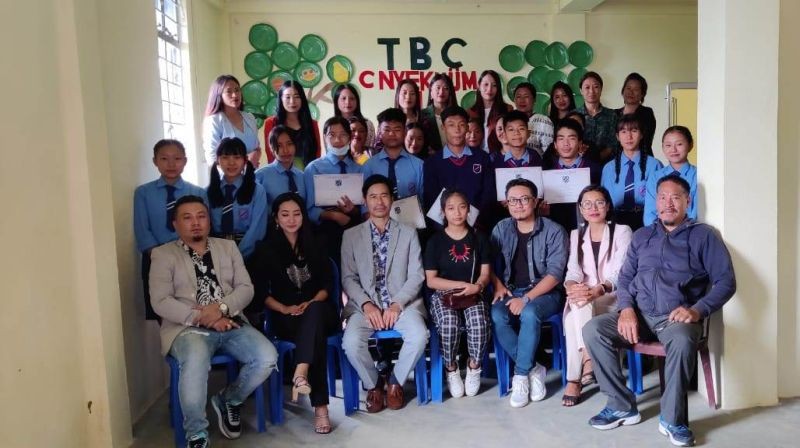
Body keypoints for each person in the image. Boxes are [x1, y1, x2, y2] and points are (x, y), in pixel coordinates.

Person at [584, 175, 736, 447]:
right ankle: (621, 406)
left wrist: (698, 310)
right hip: (640, 315)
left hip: (676, 318)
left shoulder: (703, 235)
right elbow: (627, 278)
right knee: (593, 329)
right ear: (655, 202)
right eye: (662, 197)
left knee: (681, 338)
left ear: (687, 201)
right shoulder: (643, 236)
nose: (668, 203)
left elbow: (726, 281)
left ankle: (673, 419)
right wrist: (626, 309)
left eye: (675, 197)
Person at [149, 195, 277, 448]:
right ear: (175, 224)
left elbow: (246, 288)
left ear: (209, 221)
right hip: (187, 329)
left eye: (201, 216)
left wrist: (220, 308)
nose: (195, 223)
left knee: (267, 357)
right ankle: (196, 434)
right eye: (187, 218)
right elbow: (160, 301)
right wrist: (202, 318)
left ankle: (229, 399)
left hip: (230, 321)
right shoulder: (163, 254)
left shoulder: (227, 248)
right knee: (195, 361)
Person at [340, 175, 428, 413]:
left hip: (402, 304)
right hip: (364, 306)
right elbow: (348, 278)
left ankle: (395, 382)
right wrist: (367, 304)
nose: (379, 202)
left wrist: (397, 304)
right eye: (373, 197)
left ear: (392, 199)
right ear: (365, 201)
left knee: (419, 335)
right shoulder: (351, 235)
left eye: (384, 196)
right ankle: (374, 384)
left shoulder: (408, 233)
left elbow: (417, 275)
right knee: (350, 343)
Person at [252, 193, 337, 434]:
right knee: (315, 337)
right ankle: (321, 410)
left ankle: (300, 371)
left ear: (303, 216)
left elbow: (327, 286)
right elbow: (260, 292)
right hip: (285, 316)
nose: (291, 219)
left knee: (316, 315)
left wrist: (311, 303)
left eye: (297, 213)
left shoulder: (317, 243)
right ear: (276, 218)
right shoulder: (266, 249)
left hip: (319, 309)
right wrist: (284, 308)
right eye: (285, 214)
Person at [491, 178, 567, 408]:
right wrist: (498, 285)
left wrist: (526, 299)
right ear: (507, 203)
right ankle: (535, 367)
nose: (519, 205)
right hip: (510, 291)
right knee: (496, 316)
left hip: (545, 293)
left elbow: (555, 274)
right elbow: (488, 265)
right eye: (513, 200)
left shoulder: (554, 230)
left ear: (535, 201)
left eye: (524, 199)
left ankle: (521, 376)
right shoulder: (501, 228)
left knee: (530, 313)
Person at [561, 185, 632, 407]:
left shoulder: (622, 231)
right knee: (578, 301)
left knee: (575, 315)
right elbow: (573, 271)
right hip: (585, 297)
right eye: (587, 204)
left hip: (612, 297)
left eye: (599, 202)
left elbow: (620, 271)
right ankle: (589, 358)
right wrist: (572, 286)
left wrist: (599, 289)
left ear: (608, 206)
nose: (593, 208)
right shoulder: (575, 234)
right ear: (580, 209)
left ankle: (574, 379)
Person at [424, 189, 491, 398]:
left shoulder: (479, 237)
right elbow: (431, 280)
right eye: (451, 208)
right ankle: (451, 368)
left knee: (479, 322)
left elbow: (486, 273)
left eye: (462, 207)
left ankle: (474, 366)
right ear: (443, 212)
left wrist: (477, 286)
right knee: (448, 324)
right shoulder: (435, 241)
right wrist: (459, 284)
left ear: (468, 209)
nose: (457, 213)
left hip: (472, 293)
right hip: (444, 294)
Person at [134, 139, 206, 320]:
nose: (171, 164)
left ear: (185, 161)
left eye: (177, 159)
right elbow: (142, 231)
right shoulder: (143, 192)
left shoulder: (197, 192)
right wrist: (161, 257)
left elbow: (202, 228)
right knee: (163, 311)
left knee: (193, 307)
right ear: (155, 161)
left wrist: (187, 256)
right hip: (155, 257)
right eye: (164, 159)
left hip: (191, 258)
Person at [303, 116, 363, 266]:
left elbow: (364, 208)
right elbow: (308, 209)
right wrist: (333, 215)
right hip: (324, 232)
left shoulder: (359, 170)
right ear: (325, 137)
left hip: (354, 228)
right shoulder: (314, 168)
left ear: (350, 137)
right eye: (332, 135)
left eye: (342, 135)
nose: (337, 140)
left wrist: (353, 211)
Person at [424, 106, 495, 230]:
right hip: (444, 230)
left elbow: (489, 194)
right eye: (451, 125)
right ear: (443, 128)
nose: (457, 130)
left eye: (461, 125)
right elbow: (431, 198)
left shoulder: (482, 158)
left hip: (478, 227)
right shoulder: (432, 162)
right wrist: (448, 228)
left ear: (467, 128)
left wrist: (473, 222)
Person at [207, 137, 267, 260]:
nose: (231, 163)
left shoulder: (257, 191)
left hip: (249, 254)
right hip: (216, 253)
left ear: (245, 160)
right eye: (225, 157)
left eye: (237, 157)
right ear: (217, 160)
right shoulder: (207, 192)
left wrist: (237, 257)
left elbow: (257, 229)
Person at [601, 114, 663, 231]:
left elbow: (660, 200)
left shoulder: (654, 165)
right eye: (623, 132)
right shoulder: (608, 168)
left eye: (634, 131)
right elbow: (604, 201)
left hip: (646, 220)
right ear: (617, 136)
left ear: (641, 135)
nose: (629, 136)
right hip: (616, 221)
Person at [542, 119, 602, 232]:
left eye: (571, 138)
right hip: (555, 229)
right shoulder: (547, 170)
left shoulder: (594, 169)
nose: (566, 143)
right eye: (561, 139)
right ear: (555, 144)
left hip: (587, 229)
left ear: (580, 143)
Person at [363, 108, 425, 202]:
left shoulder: (419, 166)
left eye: (397, 129)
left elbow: (423, 200)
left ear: (404, 131)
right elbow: (364, 203)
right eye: (387, 129)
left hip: (410, 216)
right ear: (379, 131)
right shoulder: (369, 166)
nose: (391, 134)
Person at [202, 75, 262, 167]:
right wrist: (243, 163)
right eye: (229, 91)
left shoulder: (249, 118)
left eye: (237, 90)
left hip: (252, 175)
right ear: (219, 95)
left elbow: (257, 149)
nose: (235, 95)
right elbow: (212, 158)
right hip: (228, 178)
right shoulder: (214, 121)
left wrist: (255, 156)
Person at [643, 126, 698, 225]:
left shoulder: (698, 175)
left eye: (679, 144)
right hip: (659, 235)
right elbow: (650, 214)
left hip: (688, 233)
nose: (673, 149)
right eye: (668, 145)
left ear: (690, 145)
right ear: (663, 147)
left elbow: (695, 213)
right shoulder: (655, 177)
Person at [263, 80, 321, 167]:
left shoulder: (312, 123)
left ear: (302, 99)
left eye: (297, 97)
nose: (292, 101)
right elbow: (270, 154)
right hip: (281, 174)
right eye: (287, 97)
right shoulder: (271, 123)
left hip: (308, 173)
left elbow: (317, 152)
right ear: (281, 99)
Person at [254, 125, 306, 207]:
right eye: (279, 146)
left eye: (289, 144)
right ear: (271, 148)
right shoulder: (260, 176)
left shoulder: (303, 177)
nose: (285, 150)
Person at [576, 72, 618, 164]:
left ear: (601, 89)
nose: (591, 91)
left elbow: (612, 144)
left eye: (595, 87)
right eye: (587, 87)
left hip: (606, 166)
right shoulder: (574, 115)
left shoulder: (612, 115)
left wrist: (595, 160)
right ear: (581, 91)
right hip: (579, 166)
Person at [469, 70, 513, 153]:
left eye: (494, 85)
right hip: (476, 156)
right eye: (486, 84)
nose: (489, 89)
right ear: (479, 86)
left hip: (499, 155)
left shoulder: (507, 109)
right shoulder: (470, 112)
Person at [616, 73, 657, 156]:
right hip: (618, 160)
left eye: (636, 89)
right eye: (628, 88)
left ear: (642, 94)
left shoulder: (647, 113)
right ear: (623, 91)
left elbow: (646, 141)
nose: (631, 92)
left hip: (643, 159)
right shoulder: (614, 114)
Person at [513, 82, 554, 157]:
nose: (522, 100)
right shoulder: (509, 120)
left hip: (537, 166)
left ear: (534, 99)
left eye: (526, 96)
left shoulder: (543, 121)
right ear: (514, 100)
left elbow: (549, 153)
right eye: (518, 97)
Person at [421, 73, 458, 154]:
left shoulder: (458, 114)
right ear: (431, 92)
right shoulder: (422, 115)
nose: (441, 91)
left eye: (446, 88)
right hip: (431, 160)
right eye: (438, 88)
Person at [333, 83, 376, 148]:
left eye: (352, 98)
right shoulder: (331, 126)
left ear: (357, 101)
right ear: (336, 101)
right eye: (343, 98)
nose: (347, 102)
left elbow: (369, 151)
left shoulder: (367, 124)